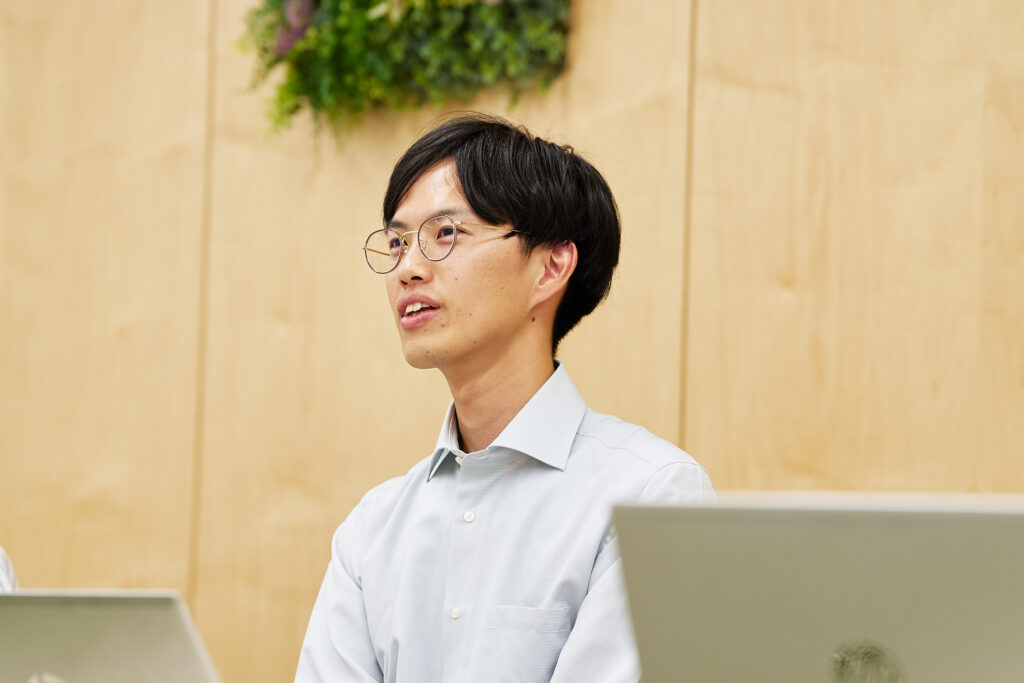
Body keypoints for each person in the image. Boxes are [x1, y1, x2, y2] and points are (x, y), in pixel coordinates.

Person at [295, 114, 713, 682]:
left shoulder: (650, 495)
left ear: (550, 267)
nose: (407, 269)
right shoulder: (372, 529)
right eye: (396, 242)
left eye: (446, 234)